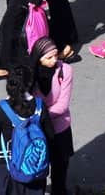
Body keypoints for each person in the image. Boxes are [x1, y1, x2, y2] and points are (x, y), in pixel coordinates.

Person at [0, 65, 55, 195]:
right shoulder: (40, 106)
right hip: (35, 171)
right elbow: (51, 137)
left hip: (7, 170)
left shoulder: (1, 109)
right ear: (30, 83)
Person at [29, 38, 73, 195]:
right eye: (49, 57)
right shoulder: (30, 75)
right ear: (38, 58)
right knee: (37, 169)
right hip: (38, 131)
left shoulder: (65, 70)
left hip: (60, 128)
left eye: (55, 55)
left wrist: (41, 117)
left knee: (60, 168)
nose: (54, 60)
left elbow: (63, 105)